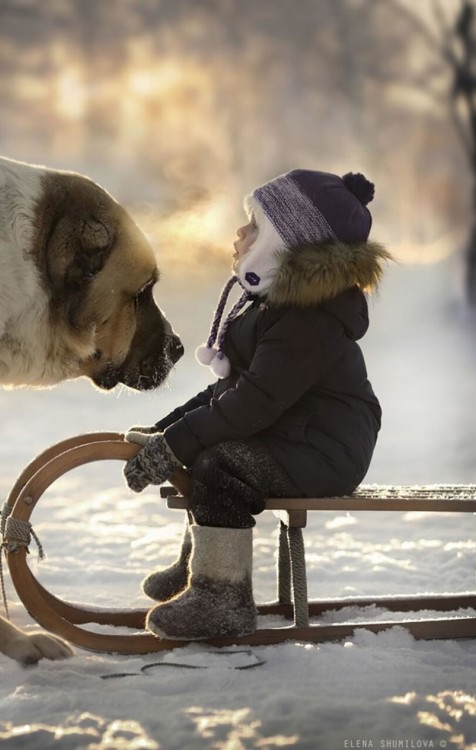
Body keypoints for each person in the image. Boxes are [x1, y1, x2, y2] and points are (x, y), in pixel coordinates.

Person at [123, 169, 392, 641]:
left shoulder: (308, 319)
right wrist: (168, 431)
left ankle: (221, 596)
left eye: (254, 227)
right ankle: (202, 568)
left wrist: (179, 443)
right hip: (297, 434)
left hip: (327, 448)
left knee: (221, 465)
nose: (239, 234)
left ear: (282, 244)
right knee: (210, 454)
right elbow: (227, 394)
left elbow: (253, 405)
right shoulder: (273, 305)